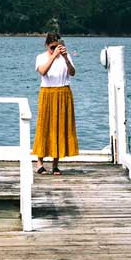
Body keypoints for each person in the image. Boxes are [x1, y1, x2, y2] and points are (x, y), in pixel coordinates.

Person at [32, 33, 78, 175]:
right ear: (46, 45)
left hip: (63, 92)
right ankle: (39, 163)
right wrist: (53, 56)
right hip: (47, 92)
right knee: (44, 126)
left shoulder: (66, 57)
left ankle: (55, 164)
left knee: (60, 128)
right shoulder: (41, 57)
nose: (54, 49)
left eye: (57, 46)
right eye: (52, 47)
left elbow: (72, 73)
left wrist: (66, 58)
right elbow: (43, 71)